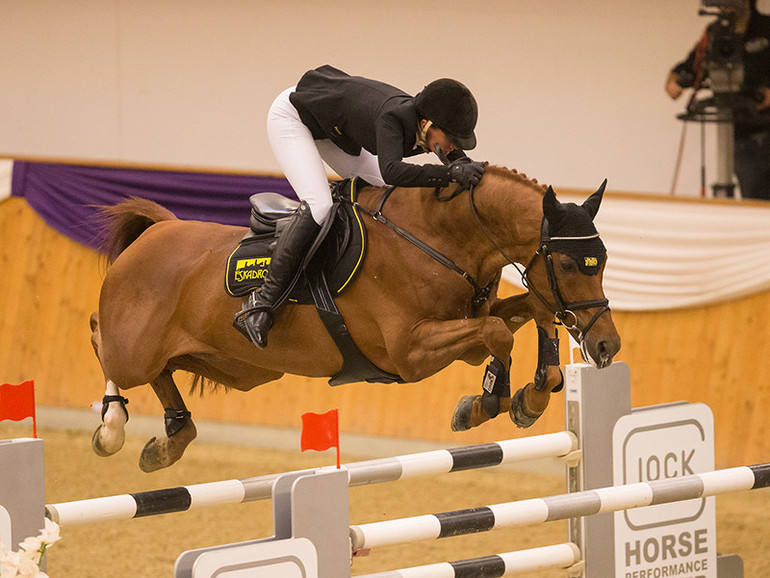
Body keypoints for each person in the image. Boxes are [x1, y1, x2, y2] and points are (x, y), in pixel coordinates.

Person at [241, 64, 486, 349]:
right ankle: (262, 301)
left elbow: (443, 157)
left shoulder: (421, 122)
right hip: (293, 117)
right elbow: (394, 171)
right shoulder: (392, 118)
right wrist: (452, 173)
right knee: (320, 205)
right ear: (427, 124)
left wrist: (468, 168)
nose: (454, 147)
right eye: (453, 140)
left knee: (386, 195)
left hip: (332, 130)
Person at [665, 0, 770, 200]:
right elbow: (685, 72)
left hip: (765, 128)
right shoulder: (714, 33)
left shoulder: (766, 27)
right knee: (753, 195)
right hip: (741, 134)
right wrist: (675, 82)